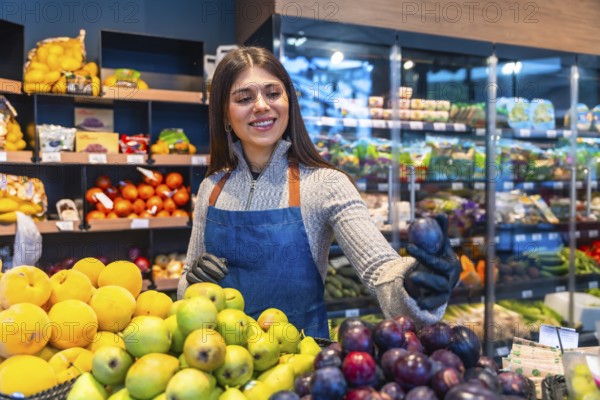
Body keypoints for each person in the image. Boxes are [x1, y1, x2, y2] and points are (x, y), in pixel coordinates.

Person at [177, 46, 460, 338]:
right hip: (221, 363)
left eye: (273, 93)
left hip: (304, 365)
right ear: (224, 113)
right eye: (244, 98)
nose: (261, 105)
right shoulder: (211, 189)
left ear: (289, 102)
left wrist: (414, 285)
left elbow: (380, 270)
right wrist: (194, 284)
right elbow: (186, 284)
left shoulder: (326, 184)